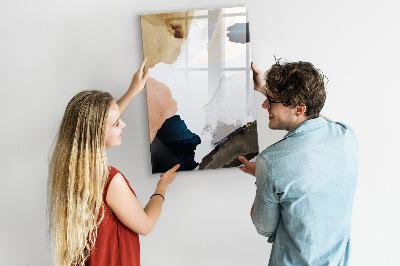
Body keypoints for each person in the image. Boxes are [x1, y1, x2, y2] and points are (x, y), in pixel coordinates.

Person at [48, 59, 180, 266]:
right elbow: (145, 225)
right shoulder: (110, 181)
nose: (124, 124)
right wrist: (162, 186)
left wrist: (132, 91)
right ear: (97, 133)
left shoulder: (69, 170)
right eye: (117, 123)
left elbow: (101, 121)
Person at [238, 60, 359, 265]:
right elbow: (315, 117)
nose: (264, 104)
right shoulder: (347, 136)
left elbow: (264, 227)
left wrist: (263, 176)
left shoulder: (271, 162)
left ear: (299, 108)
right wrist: (265, 89)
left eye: (271, 100)